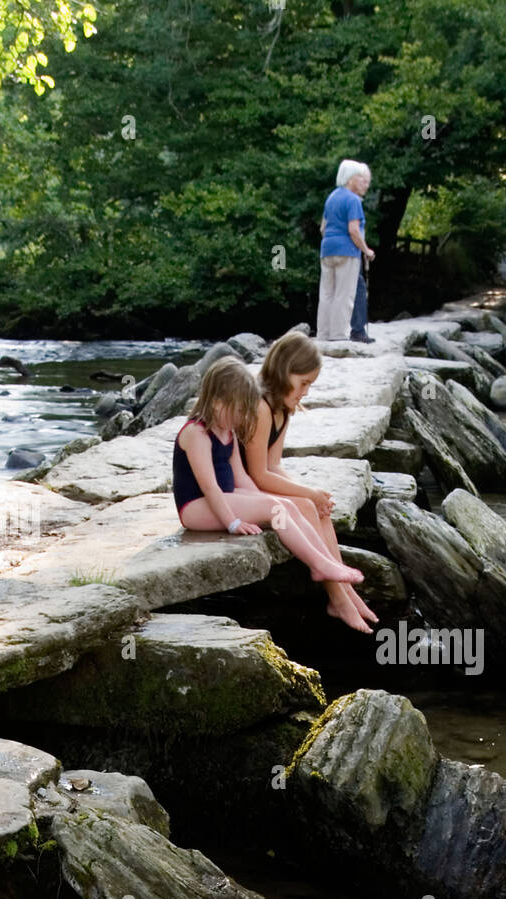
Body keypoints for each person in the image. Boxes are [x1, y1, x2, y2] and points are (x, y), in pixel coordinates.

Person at [172, 356, 366, 598]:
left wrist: (262, 500)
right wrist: (233, 522)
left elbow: (241, 477)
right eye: (240, 409)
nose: (243, 418)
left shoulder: (227, 430)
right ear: (218, 401)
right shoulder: (197, 434)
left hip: (223, 497)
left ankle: (325, 560)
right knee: (274, 508)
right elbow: (210, 487)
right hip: (196, 507)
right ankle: (318, 565)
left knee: (283, 505)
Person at [238, 331, 379, 633]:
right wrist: (306, 493)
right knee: (306, 502)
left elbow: (274, 464)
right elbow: (258, 473)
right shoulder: (260, 407)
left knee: (318, 507)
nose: (306, 392)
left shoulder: (283, 409)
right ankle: (337, 597)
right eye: (304, 383)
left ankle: (344, 589)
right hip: (238, 490)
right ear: (283, 371)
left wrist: (314, 497)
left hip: (255, 484)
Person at [317, 159, 375, 341]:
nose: (363, 182)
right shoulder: (353, 200)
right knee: (344, 294)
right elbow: (353, 230)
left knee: (326, 294)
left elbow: (322, 228)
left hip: (327, 250)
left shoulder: (331, 197)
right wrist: (366, 250)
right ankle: (338, 335)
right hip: (347, 251)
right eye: (359, 177)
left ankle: (323, 334)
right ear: (350, 179)